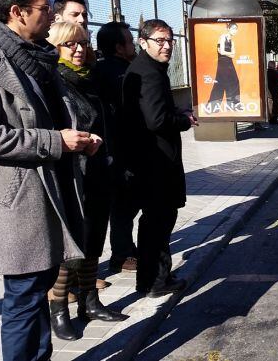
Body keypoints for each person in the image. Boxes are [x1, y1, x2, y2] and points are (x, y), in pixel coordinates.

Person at [0, 0, 93, 361]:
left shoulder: (37, 59)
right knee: (24, 298)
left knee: (40, 288)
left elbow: (52, 117)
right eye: (44, 8)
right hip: (20, 201)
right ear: (17, 13)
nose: (51, 14)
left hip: (54, 188)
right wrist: (56, 142)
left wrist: (80, 138)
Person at [46, 22, 129, 340]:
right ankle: (59, 309)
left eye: (83, 43)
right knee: (72, 246)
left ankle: (90, 302)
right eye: (70, 45)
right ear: (56, 48)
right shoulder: (54, 80)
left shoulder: (93, 78)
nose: (79, 49)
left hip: (98, 169)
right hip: (71, 174)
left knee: (95, 238)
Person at [122, 19, 197, 298]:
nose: (166, 46)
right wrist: (184, 120)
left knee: (156, 222)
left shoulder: (148, 69)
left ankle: (155, 276)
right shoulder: (150, 73)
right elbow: (156, 120)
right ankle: (154, 282)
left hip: (149, 161)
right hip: (155, 163)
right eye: (160, 41)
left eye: (170, 41)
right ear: (143, 42)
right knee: (159, 222)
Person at [91, 21, 140, 274]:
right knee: (124, 203)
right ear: (119, 47)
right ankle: (121, 254)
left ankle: (126, 249)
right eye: (130, 41)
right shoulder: (117, 73)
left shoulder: (105, 69)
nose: (134, 45)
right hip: (120, 149)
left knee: (127, 203)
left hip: (120, 148)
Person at [207, 22, 240, 106]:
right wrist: (227, 53)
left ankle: (234, 105)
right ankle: (213, 106)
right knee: (220, 84)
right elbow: (221, 52)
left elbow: (233, 55)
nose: (235, 31)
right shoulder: (222, 37)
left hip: (230, 63)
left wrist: (224, 52)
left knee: (234, 82)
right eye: (233, 28)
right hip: (222, 64)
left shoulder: (231, 41)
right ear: (228, 28)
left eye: (236, 29)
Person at [267, 60, 278, 125]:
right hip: (275, 92)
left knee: (270, 106)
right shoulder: (275, 72)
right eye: (274, 65)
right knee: (275, 106)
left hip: (269, 93)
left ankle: (270, 118)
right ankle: (274, 120)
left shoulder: (266, 73)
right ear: (273, 65)